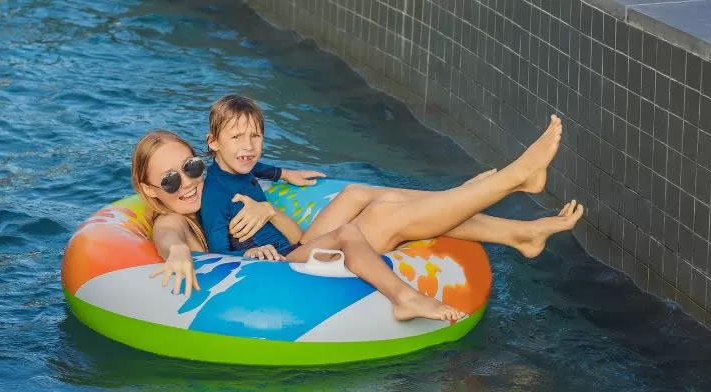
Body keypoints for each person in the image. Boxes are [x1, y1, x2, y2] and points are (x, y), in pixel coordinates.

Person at [132, 115, 581, 322]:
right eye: (170, 181)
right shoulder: (172, 220)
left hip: (290, 244)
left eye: (191, 168)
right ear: (152, 191)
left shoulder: (215, 182)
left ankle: (516, 231)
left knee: (359, 193)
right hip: (269, 270)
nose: (186, 184)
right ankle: (506, 182)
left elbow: (248, 172)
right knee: (384, 219)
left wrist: (276, 186)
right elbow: (170, 237)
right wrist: (175, 255)